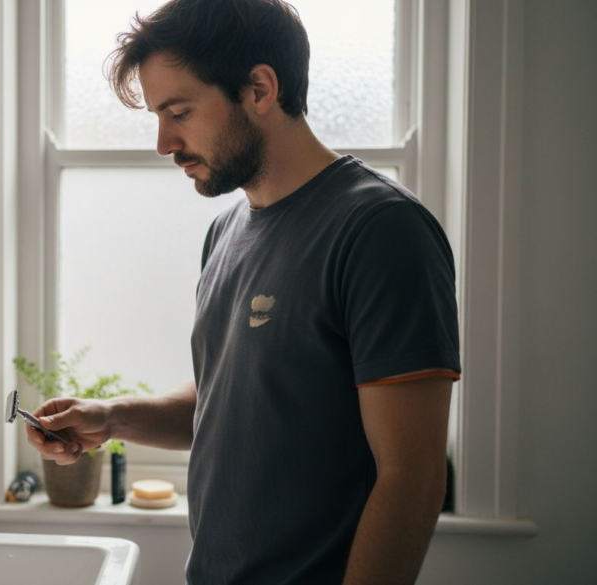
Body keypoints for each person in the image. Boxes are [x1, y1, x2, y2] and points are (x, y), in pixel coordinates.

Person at [24, 0, 461, 583]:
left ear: (259, 89)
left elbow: (413, 477)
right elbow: (231, 403)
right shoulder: (225, 232)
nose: (164, 142)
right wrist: (111, 418)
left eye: (179, 112)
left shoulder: (382, 231)